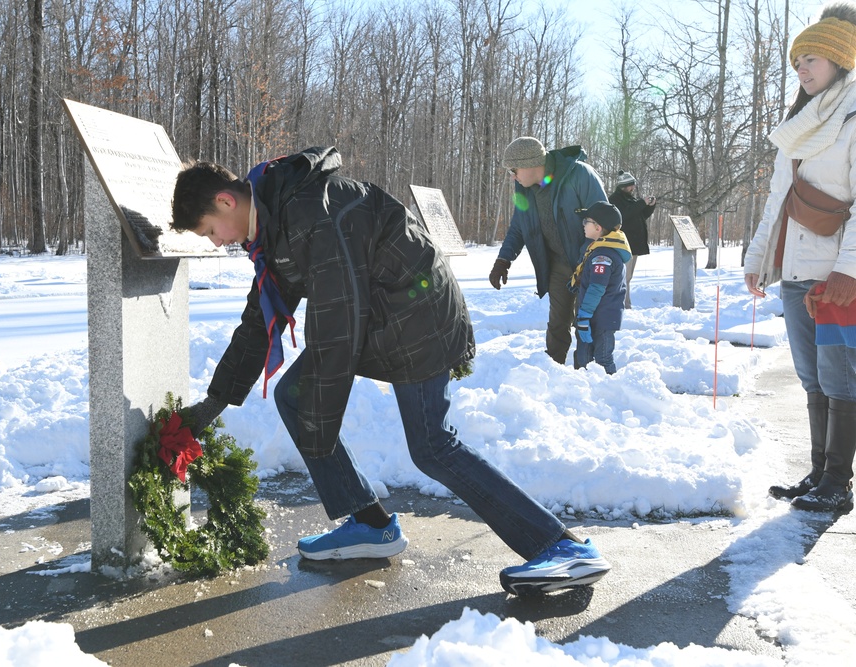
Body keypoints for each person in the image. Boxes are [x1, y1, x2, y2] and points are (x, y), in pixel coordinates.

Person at [170, 146, 611, 595]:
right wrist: (214, 403)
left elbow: (338, 325)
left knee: (432, 446)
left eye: (209, 231)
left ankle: (560, 546)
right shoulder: (277, 219)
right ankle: (371, 525)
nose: (216, 241)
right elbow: (257, 322)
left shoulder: (308, 213)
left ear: (226, 201)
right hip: (386, 315)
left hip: (417, 318)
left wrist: (318, 428)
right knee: (295, 396)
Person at [744, 1, 856, 512]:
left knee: (838, 377)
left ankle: (839, 483)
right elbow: (777, 199)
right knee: (812, 378)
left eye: (812, 58)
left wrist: (847, 271)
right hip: (795, 272)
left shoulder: (853, 117)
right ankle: (819, 473)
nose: (802, 68)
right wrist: (757, 256)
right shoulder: (799, 125)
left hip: (836, 276)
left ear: (841, 59)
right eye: (797, 61)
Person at [489, 137, 609, 367]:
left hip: (589, 262)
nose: (512, 176)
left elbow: (605, 220)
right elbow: (519, 225)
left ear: (531, 163)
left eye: (514, 170)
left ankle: (591, 371)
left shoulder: (580, 175)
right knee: (557, 322)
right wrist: (503, 259)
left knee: (588, 320)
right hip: (557, 264)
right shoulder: (524, 189)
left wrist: (592, 261)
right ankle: (552, 369)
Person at [570, 202, 631, 375]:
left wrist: (583, 316)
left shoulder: (603, 255)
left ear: (598, 227)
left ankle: (611, 392)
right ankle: (586, 394)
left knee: (602, 358)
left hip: (600, 319)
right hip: (595, 316)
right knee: (584, 358)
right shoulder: (599, 250)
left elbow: (597, 288)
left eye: (586, 221)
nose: (583, 225)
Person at [608, 171, 656, 309]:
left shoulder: (629, 199)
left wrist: (650, 206)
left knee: (628, 277)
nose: (633, 188)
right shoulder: (615, 200)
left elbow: (640, 215)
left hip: (633, 244)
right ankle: (623, 304)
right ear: (624, 186)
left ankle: (625, 303)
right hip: (623, 244)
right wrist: (642, 202)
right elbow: (625, 214)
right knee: (623, 277)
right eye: (631, 186)